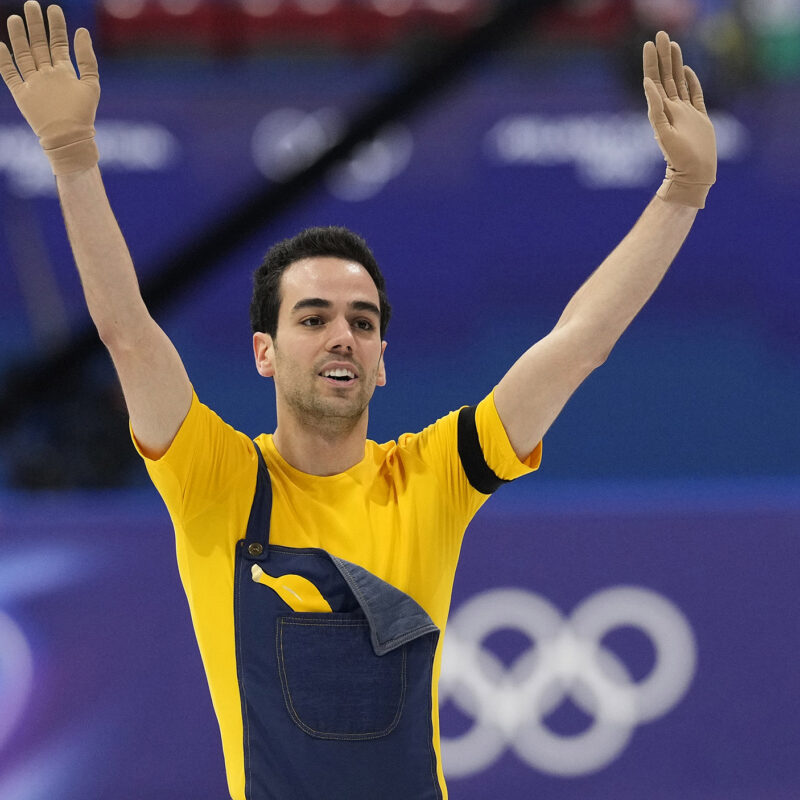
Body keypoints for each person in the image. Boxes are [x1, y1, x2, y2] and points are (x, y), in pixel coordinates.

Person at [0, 3, 716, 799]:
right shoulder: (216, 481)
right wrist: (71, 157)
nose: (342, 335)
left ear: (382, 362)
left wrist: (682, 193)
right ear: (264, 354)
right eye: (313, 318)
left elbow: (578, 342)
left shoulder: (434, 477)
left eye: (363, 322)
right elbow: (127, 334)